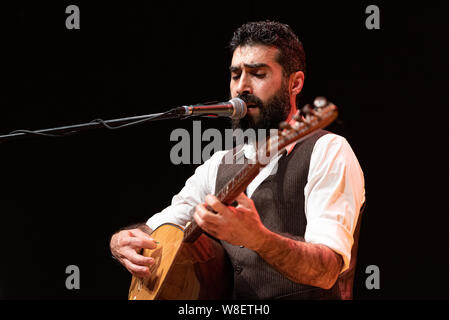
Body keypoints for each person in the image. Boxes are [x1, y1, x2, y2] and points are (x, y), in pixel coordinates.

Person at [110, 21, 365, 300]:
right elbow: (160, 228)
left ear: (295, 83)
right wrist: (122, 241)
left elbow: (327, 271)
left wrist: (259, 239)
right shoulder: (218, 164)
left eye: (257, 73)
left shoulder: (328, 151)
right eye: (235, 75)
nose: (242, 87)